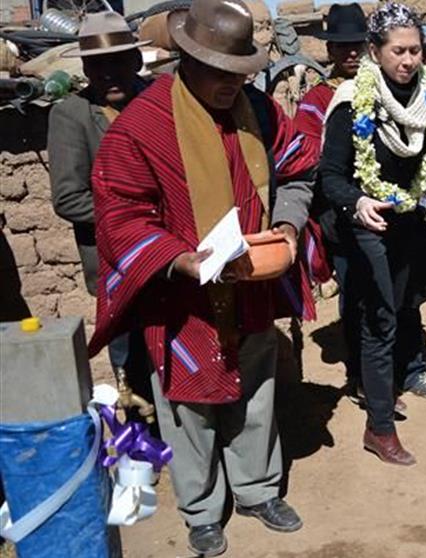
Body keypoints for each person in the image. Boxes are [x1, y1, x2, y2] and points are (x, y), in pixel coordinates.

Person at [87, 0, 319, 554]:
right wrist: (178, 258)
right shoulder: (143, 126)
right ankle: (201, 509)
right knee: (187, 403)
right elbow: (120, 209)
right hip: (181, 298)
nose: (230, 85)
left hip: (252, 284)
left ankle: (258, 489)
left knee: (257, 389)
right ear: (188, 60)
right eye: (219, 73)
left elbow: (297, 170)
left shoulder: (261, 112)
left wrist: (286, 226)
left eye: (239, 73)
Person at [320, 2, 426, 466]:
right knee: (379, 317)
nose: (408, 61)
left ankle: (386, 385)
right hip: (367, 223)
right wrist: (358, 202)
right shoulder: (351, 100)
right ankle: (378, 427)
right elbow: (332, 176)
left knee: (403, 306)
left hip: (409, 221)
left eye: (415, 51)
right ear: (374, 52)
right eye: (398, 51)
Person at [48, 11, 152, 392]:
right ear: (86, 69)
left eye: (117, 60)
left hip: (174, 260)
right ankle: (142, 443)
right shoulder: (72, 115)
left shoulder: (160, 100)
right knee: (133, 366)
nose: (108, 72)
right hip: (117, 265)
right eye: (97, 64)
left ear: (136, 61)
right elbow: (69, 198)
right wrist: (142, 218)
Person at [292, 1, 370, 401]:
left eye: (356, 43)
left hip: (387, 209)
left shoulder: (383, 88)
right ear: (330, 51)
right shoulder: (318, 100)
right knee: (355, 294)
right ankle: (360, 375)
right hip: (339, 214)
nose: (351, 52)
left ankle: (405, 366)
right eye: (342, 46)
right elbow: (306, 158)